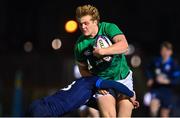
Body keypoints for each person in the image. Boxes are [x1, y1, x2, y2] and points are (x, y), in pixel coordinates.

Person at [75, 4, 137, 117]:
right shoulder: (80, 45)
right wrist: (97, 83)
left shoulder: (108, 28)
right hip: (104, 84)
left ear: (95, 21)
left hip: (123, 78)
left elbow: (124, 46)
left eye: (86, 23)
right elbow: (82, 70)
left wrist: (103, 51)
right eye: (80, 24)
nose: (82, 26)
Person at [146, 41, 180, 117]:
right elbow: (148, 69)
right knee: (153, 108)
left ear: (170, 52)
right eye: (163, 50)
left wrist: (167, 81)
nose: (164, 52)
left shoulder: (174, 64)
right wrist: (150, 78)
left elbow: (177, 78)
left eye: (167, 50)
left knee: (164, 114)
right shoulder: (156, 61)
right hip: (156, 89)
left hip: (167, 91)